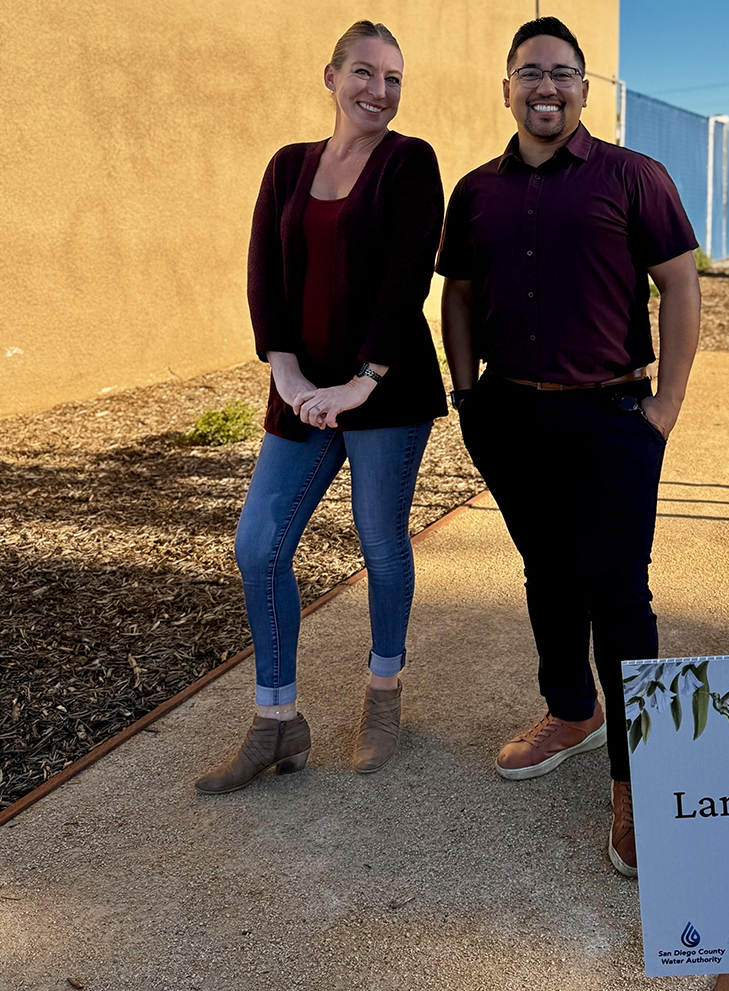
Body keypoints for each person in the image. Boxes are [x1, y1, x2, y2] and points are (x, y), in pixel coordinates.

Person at [437, 17, 701, 877]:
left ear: (585, 89)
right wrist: (469, 394)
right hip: (511, 416)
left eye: (561, 73)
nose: (544, 87)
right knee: (547, 573)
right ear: (505, 87)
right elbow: (461, 298)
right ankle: (571, 710)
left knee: (620, 593)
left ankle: (639, 775)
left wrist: (662, 407)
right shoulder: (475, 191)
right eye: (528, 73)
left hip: (614, 417)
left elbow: (680, 288)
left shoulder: (635, 177)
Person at [196, 20, 446, 794]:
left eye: (394, 79)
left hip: (385, 388)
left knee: (379, 541)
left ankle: (382, 692)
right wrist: (287, 372)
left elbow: (408, 278)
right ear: (330, 76)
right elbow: (264, 271)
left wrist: (361, 381)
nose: (380, 91)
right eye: (365, 73)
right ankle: (278, 720)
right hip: (301, 392)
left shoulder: (409, 161)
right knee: (259, 545)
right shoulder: (288, 166)